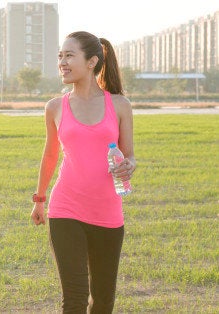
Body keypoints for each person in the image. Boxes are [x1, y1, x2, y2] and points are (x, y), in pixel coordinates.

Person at [30, 31, 136, 313]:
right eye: (60, 56)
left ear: (91, 62)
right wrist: (40, 200)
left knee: (102, 301)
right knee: (75, 297)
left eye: (69, 55)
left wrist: (130, 165)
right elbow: (50, 155)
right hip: (66, 209)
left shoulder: (120, 105)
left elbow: (130, 155)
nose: (62, 62)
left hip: (108, 213)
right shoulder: (54, 107)